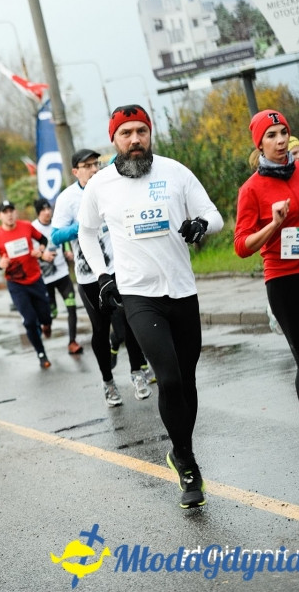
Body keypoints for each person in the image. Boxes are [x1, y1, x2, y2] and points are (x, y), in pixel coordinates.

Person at [77, 104, 222, 508]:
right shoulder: (101, 184)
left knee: (187, 380)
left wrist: (202, 225)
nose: (135, 139)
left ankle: (180, 449)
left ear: (150, 133)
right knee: (169, 379)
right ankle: (189, 465)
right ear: (115, 140)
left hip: (181, 290)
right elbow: (87, 232)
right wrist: (104, 275)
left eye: (141, 131)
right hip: (138, 294)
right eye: (126, 133)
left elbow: (213, 215)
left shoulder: (175, 172)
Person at [234, 109, 299, 458]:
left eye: (284, 133)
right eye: (272, 135)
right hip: (284, 278)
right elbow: (242, 246)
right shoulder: (251, 189)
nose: (281, 141)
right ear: (260, 144)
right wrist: (273, 225)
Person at [51, 149, 154, 406]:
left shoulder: (110, 185)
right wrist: (85, 224)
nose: (93, 169)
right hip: (90, 276)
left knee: (131, 322)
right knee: (100, 329)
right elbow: (55, 236)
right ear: (75, 171)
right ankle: (108, 381)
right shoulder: (68, 199)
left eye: (95, 164)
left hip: (121, 267)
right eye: (86, 166)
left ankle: (136, 373)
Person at [0, 199, 53, 369]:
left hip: (35, 279)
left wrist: (41, 250)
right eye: (5, 212)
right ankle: (41, 352)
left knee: (45, 315)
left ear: (15, 212)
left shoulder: (26, 226)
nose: (9, 214)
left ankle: (46, 324)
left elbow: (43, 239)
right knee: (29, 321)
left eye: (11, 211)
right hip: (16, 284)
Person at [30, 198, 83, 356]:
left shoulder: (57, 223)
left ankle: (72, 342)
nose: (47, 212)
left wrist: (67, 250)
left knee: (71, 305)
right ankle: (46, 324)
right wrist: (41, 255)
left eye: (48, 208)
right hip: (45, 278)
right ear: (38, 212)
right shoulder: (33, 228)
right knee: (51, 312)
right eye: (43, 209)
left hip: (62, 272)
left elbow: (63, 237)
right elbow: (29, 251)